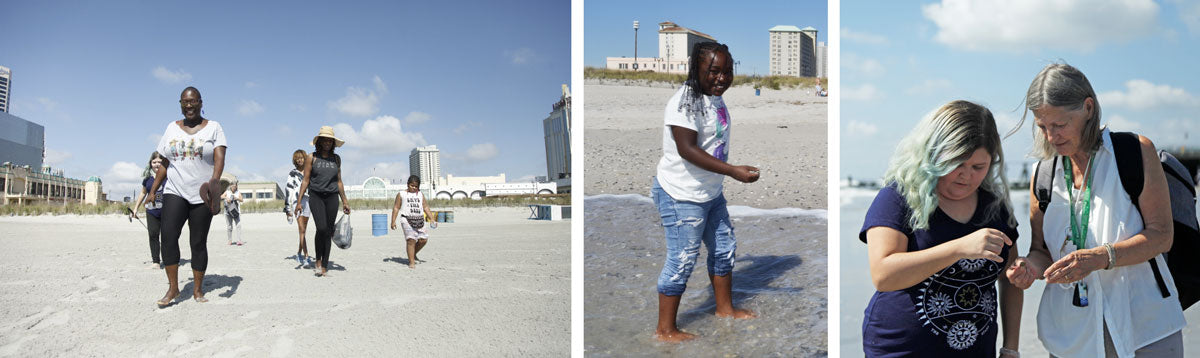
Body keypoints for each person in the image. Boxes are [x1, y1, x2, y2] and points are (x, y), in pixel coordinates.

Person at [1006, 63, 1185, 357]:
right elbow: (1042, 250)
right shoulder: (1042, 174)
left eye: (1060, 125)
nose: (1051, 137)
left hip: (1146, 328)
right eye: (1042, 126)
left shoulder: (1135, 152)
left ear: (1088, 108)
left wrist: (1100, 257)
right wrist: (1029, 268)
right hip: (1070, 337)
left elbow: (1162, 236)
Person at [859, 100, 1023, 356]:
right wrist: (959, 248)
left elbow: (1010, 279)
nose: (966, 176)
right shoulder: (899, 197)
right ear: (933, 155)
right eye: (956, 164)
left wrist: (1011, 348)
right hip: (901, 349)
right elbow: (883, 275)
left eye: (978, 167)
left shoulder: (994, 207)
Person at [651, 41, 760, 343]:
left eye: (726, 72)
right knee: (682, 259)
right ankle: (665, 330)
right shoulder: (683, 102)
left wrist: (727, 175)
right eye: (713, 71)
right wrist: (733, 171)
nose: (721, 78)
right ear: (696, 68)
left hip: (710, 193)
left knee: (724, 248)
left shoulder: (716, 98)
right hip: (679, 195)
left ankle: (724, 309)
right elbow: (687, 149)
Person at [146, 86, 227, 307]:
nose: (189, 105)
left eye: (193, 101)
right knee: (168, 236)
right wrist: (153, 190)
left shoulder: (214, 128)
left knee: (198, 242)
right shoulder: (171, 128)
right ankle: (173, 288)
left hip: (202, 193)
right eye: (185, 102)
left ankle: (198, 290)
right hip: (175, 190)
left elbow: (219, 158)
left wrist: (214, 182)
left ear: (201, 103)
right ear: (180, 104)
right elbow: (164, 162)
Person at [294, 126, 351, 277]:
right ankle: (317, 260)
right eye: (324, 140)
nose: (327, 143)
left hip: (332, 197)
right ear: (319, 141)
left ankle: (324, 264)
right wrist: (299, 202)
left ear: (333, 143)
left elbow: (339, 181)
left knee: (328, 231)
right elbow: (305, 180)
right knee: (321, 228)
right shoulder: (311, 157)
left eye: (330, 140)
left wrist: (344, 201)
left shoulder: (336, 159)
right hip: (316, 196)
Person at [131, 151, 167, 269]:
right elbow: (143, 193)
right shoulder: (147, 179)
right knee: (153, 234)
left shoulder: (169, 176)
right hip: (151, 211)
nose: (156, 164)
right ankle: (156, 261)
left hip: (167, 211)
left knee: (167, 236)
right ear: (150, 163)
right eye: (154, 162)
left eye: (159, 162)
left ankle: (169, 260)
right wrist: (135, 209)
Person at [391, 175, 435, 269]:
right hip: (406, 219)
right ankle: (411, 262)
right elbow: (396, 207)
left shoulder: (420, 194)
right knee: (411, 240)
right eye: (412, 185)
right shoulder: (401, 194)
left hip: (419, 219)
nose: (414, 188)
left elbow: (425, 207)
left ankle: (413, 253)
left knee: (423, 239)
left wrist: (431, 218)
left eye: (416, 186)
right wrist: (393, 221)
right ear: (408, 184)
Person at [284, 149, 312, 266]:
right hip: (297, 202)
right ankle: (306, 256)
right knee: (301, 229)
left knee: (303, 230)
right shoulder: (293, 173)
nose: (299, 160)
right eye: (297, 158)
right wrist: (287, 209)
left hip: (308, 201)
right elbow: (288, 190)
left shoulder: (309, 171)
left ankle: (299, 253)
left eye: (301, 157)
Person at [221, 180, 244, 246]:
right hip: (228, 212)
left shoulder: (238, 192)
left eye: (235, 186)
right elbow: (221, 196)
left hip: (236, 212)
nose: (234, 187)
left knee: (238, 225)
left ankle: (239, 241)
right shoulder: (227, 192)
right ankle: (230, 240)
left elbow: (242, 200)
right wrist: (226, 198)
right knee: (229, 227)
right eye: (233, 186)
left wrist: (236, 198)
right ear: (230, 186)